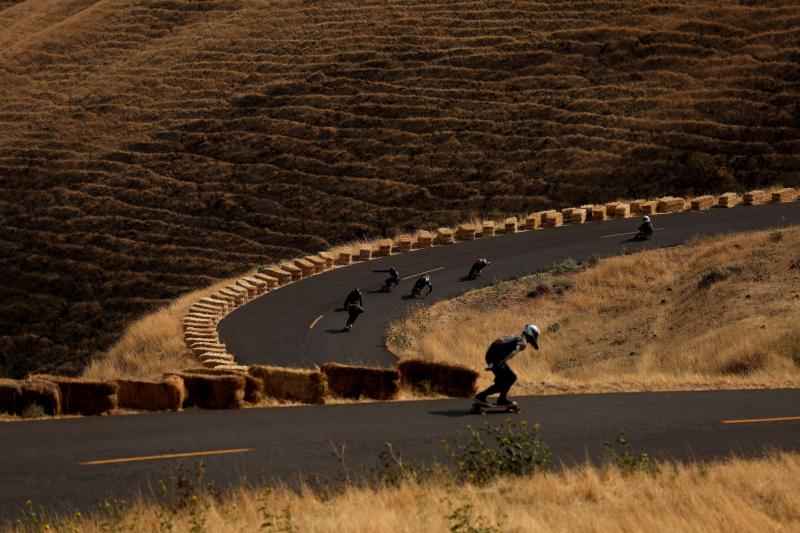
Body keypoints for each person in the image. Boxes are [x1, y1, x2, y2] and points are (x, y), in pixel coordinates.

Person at [474, 324, 540, 407]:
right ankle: (481, 397)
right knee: (504, 382)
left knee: (510, 377)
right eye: (535, 335)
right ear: (531, 333)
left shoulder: (518, 337)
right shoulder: (522, 342)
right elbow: (510, 353)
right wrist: (495, 364)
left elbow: (498, 343)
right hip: (496, 358)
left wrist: (495, 362)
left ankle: (501, 399)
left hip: (493, 355)